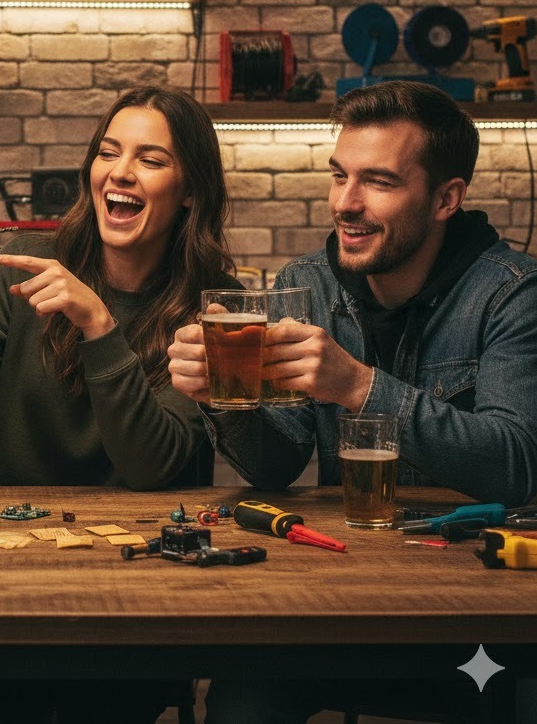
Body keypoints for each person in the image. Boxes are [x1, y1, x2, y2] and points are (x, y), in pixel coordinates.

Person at [168, 80, 537, 724]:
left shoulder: (511, 293)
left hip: (474, 613)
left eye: (379, 182)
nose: (346, 203)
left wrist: (360, 387)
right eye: (339, 176)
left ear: (447, 198)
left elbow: (515, 467)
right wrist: (226, 399)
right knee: (239, 699)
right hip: (339, 597)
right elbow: (278, 466)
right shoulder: (304, 284)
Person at [0, 84, 238, 723]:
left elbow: (153, 466)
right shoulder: (18, 270)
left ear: (189, 191)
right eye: (108, 152)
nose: (120, 172)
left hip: (141, 584)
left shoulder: (216, 308)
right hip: (4, 578)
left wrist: (100, 328)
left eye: (151, 160)